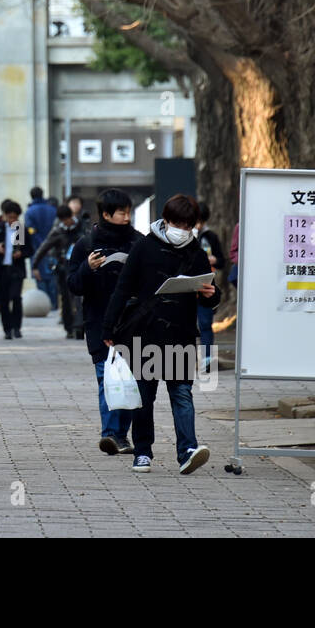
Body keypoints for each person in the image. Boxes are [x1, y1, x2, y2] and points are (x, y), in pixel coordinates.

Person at [102, 194, 219, 475]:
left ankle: (187, 451)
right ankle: (143, 452)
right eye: (178, 223)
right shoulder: (144, 247)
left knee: (182, 393)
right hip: (146, 334)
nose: (182, 229)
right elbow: (122, 289)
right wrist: (108, 327)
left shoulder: (196, 252)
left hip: (180, 333)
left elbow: (209, 296)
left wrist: (210, 295)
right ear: (165, 220)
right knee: (145, 396)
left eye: (188, 225)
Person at [66, 188, 142, 455]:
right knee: (107, 378)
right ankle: (110, 434)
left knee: (130, 380)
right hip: (98, 321)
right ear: (107, 214)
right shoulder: (86, 245)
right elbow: (73, 285)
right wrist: (88, 268)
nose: (126, 217)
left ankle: (121, 434)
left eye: (128, 212)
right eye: (122, 212)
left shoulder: (138, 243)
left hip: (132, 322)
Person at [31, 203, 85, 337]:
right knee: (66, 299)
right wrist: (35, 265)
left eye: (67, 220)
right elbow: (44, 247)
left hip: (81, 267)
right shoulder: (57, 231)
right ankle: (69, 327)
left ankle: (79, 326)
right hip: (64, 269)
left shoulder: (82, 227)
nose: (66, 223)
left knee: (79, 298)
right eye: (63, 221)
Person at [0, 199, 28, 339]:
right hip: (1, 269)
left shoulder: (20, 230)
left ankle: (17, 327)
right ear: (4, 215)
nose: (12, 220)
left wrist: (21, 253)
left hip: (16, 269)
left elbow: (29, 249)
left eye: (15, 217)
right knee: (3, 300)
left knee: (16, 298)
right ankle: (7, 329)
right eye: (10, 217)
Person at [195, 202, 227, 372]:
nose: (198, 225)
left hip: (207, 287)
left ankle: (207, 359)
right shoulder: (184, 236)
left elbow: (222, 261)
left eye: (201, 221)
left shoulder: (211, 237)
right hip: (187, 288)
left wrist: (215, 260)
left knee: (206, 324)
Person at [24, 186, 57, 307]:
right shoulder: (53, 210)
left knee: (40, 277)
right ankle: (54, 304)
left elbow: (31, 233)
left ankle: (45, 305)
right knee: (52, 276)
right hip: (53, 248)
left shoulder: (29, 212)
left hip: (37, 249)